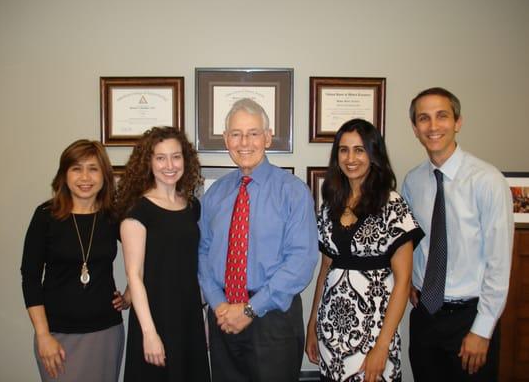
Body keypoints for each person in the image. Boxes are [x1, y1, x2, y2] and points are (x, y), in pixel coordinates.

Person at [198, 98, 319, 382]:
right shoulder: (215, 194)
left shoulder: (293, 192)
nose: (244, 142)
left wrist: (250, 309)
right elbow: (202, 252)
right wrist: (218, 305)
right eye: (236, 134)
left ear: (267, 137)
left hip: (273, 320)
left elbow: (301, 261)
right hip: (223, 317)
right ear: (226, 140)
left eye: (253, 133)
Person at [402, 87, 514, 381]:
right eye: (423, 119)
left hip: (470, 317)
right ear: (415, 128)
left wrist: (482, 329)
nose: (433, 126)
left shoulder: (487, 180)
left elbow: (499, 263)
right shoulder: (413, 182)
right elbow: (413, 241)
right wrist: (414, 280)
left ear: (458, 122)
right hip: (425, 318)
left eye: (442, 116)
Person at [305, 119, 424, 382]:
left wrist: (382, 346)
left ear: (373, 154)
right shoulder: (330, 205)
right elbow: (326, 268)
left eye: (359, 150)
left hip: (373, 336)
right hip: (332, 334)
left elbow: (403, 281)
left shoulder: (392, 204)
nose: (351, 158)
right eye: (344, 150)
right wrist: (312, 324)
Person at [21, 139, 130, 382]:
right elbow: (30, 278)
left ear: (104, 175)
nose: (85, 177)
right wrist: (42, 335)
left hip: (105, 332)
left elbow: (147, 251)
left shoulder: (113, 216)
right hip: (56, 335)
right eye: (76, 168)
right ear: (64, 174)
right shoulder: (45, 216)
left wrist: (130, 293)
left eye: (93, 168)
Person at [117, 126, 210, 382]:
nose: (169, 165)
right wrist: (149, 333)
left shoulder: (192, 207)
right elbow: (134, 276)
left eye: (176, 156)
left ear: (185, 160)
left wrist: (202, 314)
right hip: (155, 317)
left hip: (188, 315)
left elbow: (194, 265)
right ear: (148, 162)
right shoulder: (138, 211)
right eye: (160, 157)